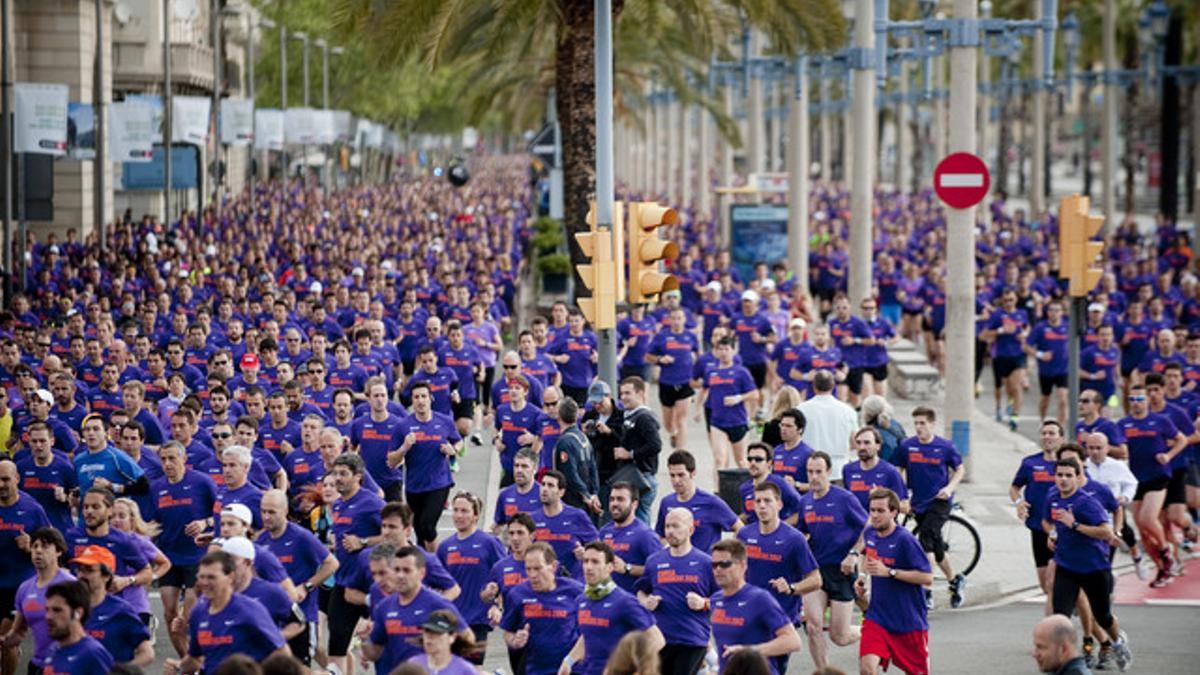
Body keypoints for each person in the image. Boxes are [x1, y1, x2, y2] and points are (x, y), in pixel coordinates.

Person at [845, 488, 934, 675]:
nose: (875, 516)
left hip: (908, 622)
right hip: (878, 618)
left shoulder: (905, 540)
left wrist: (890, 572)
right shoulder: (869, 534)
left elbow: (927, 578)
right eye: (872, 510)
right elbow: (867, 559)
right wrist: (861, 579)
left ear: (893, 512)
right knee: (867, 669)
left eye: (880, 511)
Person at [738, 481, 820, 673]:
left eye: (767, 501)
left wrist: (792, 588)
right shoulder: (744, 534)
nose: (762, 506)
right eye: (758, 501)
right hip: (749, 617)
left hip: (780, 620)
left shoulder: (794, 538)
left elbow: (816, 579)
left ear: (779, 505)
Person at [148, 440, 218, 657]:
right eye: (163, 459)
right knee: (170, 615)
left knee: (186, 619)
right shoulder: (157, 487)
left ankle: (198, 661)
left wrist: (205, 523)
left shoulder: (202, 482)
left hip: (197, 557)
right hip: (169, 557)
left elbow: (221, 515)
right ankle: (187, 663)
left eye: (172, 458)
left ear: (184, 459)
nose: (167, 464)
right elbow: (153, 523)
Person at [165, 550, 288, 674]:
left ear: (230, 577)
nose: (205, 583)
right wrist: (179, 666)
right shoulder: (199, 612)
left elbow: (281, 652)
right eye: (201, 577)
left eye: (212, 577)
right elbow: (196, 658)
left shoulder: (249, 610)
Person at [800, 451, 868, 670]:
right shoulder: (806, 501)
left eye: (819, 472)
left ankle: (873, 629)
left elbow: (868, 527)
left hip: (842, 571)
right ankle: (823, 671)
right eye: (810, 472)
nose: (814, 477)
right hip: (816, 571)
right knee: (813, 627)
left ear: (828, 472)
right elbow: (801, 534)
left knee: (840, 637)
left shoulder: (844, 499)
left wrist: (854, 554)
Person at [255, 489, 338, 666]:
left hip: (303, 616)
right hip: (274, 619)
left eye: (271, 512)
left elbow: (331, 564)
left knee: (302, 669)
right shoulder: (260, 542)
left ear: (285, 511)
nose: (266, 517)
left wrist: (306, 586)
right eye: (263, 511)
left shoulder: (301, 537)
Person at [895, 406, 967, 609]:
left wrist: (950, 487)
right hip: (919, 501)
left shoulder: (945, 446)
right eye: (916, 423)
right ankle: (955, 580)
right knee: (936, 545)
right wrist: (903, 496)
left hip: (940, 501)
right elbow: (899, 469)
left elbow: (960, 469)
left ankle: (927, 591)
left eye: (922, 423)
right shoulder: (907, 446)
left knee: (926, 539)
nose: (918, 427)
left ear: (932, 424)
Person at [1117, 382, 1187, 587]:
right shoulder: (1124, 424)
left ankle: (1166, 551)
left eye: (1140, 399)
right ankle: (1162, 568)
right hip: (1135, 479)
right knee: (1143, 532)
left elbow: (1181, 439)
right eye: (1132, 400)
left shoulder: (1160, 421)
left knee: (1148, 519)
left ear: (1147, 400)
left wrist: (1168, 455)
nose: (1136, 404)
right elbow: (1120, 448)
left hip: (1158, 475)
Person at [361, 545, 472, 675]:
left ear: (421, 573)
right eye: (397, 570)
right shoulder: (384, 607)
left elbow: (468, 637)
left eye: (407, 570)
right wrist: (365, 640)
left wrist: (447, 667)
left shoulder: (437, 603)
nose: (401, 575)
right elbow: (375, 653)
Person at [558, 542, 662, 675]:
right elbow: (588, 636)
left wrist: (629, 669)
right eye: (585, 561)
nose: (589, 567)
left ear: (610, 567)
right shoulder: (582, 600)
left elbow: (658, 639)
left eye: (595, 562)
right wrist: (568, 661)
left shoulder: (625, 601)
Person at [634, 507, 714, 675]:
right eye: (667, 526)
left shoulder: (706, 563)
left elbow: (725, 600)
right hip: (659, 640)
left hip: (692, 640)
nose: (670, 531)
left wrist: (704, 603)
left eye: (676, 526)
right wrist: (646, 602)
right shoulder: (654, 561)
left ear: (690, 529)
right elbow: (641, 591)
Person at [326, 453, 385, 675]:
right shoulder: (338, 504)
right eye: (335, 473)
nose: (338, 478)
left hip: (372, 583)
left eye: (343, 474)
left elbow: (395, 535)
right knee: (337, 642)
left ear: (358, 476)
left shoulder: (372, 503)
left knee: (385, 645)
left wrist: (363, 542)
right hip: (343, 582)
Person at [706, 539, 803, 675]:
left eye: (725, 564)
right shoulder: (716, 599)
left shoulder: (759, 599)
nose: (718, 570)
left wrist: (750, 651)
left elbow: (793, 641)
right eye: (714, 565)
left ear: (742, 565)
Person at [436, 491, 505, 663]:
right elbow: (437, 582)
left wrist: (498, 605)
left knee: (473, 668)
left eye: (464, 511)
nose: (458, 515)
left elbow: (505, 575)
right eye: (456, 510)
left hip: (478, 619)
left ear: (476, 515)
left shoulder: (489, 543)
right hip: (452, 620)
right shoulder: (445, 547)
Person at [394, 381, 462, 549]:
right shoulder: (403, 426)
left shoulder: (444, 421)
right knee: (419, 531)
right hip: (414, 486)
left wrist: (452, 449)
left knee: (427, 526)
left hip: (439, 483)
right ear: (412, 400)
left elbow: (459, 442)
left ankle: (438, 563)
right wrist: (404, 447)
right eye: (416, 397)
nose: (420, 400)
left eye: (424, 396)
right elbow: (391, 460)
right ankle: (424, 567)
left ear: (430, 398)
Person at [497, 542, 582, 675]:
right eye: (528, 569)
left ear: (553, 566)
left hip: (571, 669)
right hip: (535, 669)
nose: (532, 575)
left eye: (537, 568)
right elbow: (507, 632)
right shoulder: (517, 594)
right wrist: (515, 641)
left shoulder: (575, 591)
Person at [1, 528, 74, 672]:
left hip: (66, 665)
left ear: (58, 551)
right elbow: (19, 633)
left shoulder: (70, 585)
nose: (38, 551)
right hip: (38, 666)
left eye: (45, 546)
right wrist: (3, 640)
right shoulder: (25, 588)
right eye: (35, 546)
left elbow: (87, 627)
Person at [1011, 420, 1067, 603]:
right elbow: (1014, 487)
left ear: (1061, 438)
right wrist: (1019, 502)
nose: (1047, 437)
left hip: (1064, 529)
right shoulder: (1030, 463)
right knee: (1045, 585)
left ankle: (1066, 605)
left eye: (1052, 433)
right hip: (1038, 527)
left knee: (1057, 580)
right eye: (1044, 433)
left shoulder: (1068, 466)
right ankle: (1066, 602)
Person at [71, 544, 154, 666]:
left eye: (89, 570)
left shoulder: (121, 611)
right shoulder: (69, 607)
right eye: (80, 569)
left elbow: (147, 654)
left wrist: (121, 672)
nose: (82, 575)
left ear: (106, 576)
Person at [218, 537, 306, 643]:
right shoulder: (214, 593)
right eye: (223, 561)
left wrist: (272, 639)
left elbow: (299, 622)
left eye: (231, 561)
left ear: (247, 563)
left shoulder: (271, 592)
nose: (226, 566)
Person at [655, 450, 740, 553]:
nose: (676, 480)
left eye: (681, 475)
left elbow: (740, 529)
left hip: (705, 566)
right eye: (672, 475)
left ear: (693, 473)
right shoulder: (667, 503)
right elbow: (661, 537)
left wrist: (727, 554)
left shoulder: (711, 502)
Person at [697, 337, 757, 470]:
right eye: (720, 349)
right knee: (719, 460)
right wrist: (698, 409)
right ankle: (719, 490)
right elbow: (705, 389)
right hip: (717, 422)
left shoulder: (741, 372)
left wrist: (739, 398)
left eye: (726, 349)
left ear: (733, 351)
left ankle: (748, 489)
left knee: (741, 461)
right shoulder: (711, 372)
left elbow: (754, 394)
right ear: (716, 351)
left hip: (737, 421)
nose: (723, 352)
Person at [646, 306, 699, 449]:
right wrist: (660, 359)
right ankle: (673, 433)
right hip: (666, 383)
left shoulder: (690, 337)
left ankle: (680, 453)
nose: (676, 321)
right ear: (669, 320)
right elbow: (648, 356)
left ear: (684, 320)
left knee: (682, 420)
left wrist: (697, 371)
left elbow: (698, 355)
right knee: (668, 423)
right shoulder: (661, 336)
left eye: (679, 318)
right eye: (673, 318)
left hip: (685, 382)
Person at [598, 482, 662, 593]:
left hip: (632, 603)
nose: (615, 503)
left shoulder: (645, 534)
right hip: (607, 601)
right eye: (612, 499)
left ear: (634, 504)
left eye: (620, 499)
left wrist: (627, 568)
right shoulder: (604, 532)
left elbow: (659, 569)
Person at [533, 471, 598, 579]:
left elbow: (598, 546)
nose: (544, 489)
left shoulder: (577, 516)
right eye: (543, 484)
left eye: (550, 485)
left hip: (571, 584)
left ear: (561, 492)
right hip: (542, 582)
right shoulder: (532, 519)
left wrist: (585, 553)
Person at [615, 377, 663, 523]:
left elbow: (655, 445)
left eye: (628, 393)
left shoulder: (644, 417)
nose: (623, 397)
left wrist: (630, 454)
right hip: (633, 477)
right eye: (622, 393)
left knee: (640, 522)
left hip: (642, 478)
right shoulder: (630, 415)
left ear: (640, 394)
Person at [42, 580, 114, 674]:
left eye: (57, 610)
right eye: (47, 610)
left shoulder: (93, 654)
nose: (48, 617)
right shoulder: (52, 649)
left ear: (78, 613)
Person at [796, 371, 859, 477]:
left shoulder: (801, 409)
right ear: (833, 386)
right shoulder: (848, 411)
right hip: (838, 468)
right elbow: (854, 443)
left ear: (814, 386)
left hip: (811, 469)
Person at [553, 398, 601, 519]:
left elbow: (570, 475)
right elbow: (593, 468)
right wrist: (594, 493)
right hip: (586, 499)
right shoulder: (583, 438)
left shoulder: (565, 442)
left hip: (571, 501)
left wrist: (587, 495)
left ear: (558, 415)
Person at [1025, 300, 1071, 423]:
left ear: (1062, 312)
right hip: (1046, 370)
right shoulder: (1041, 327)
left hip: (1063, 369)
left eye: (1057, 310)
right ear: (1047, 312)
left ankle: (1061, 428)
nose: (1054, 313)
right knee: (1046, 398)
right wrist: (1040, 354)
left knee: (1063, 398)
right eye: (1051, 310)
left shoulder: (1068, 327)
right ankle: (1042, 421)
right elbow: (1026, 346)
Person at [842, 427, 908, 511]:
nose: (862, 447)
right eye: (858, 443)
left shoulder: (890, 472)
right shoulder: (848, 470)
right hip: (856, 523)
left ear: (878, 446)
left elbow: (905, 507)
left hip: (881, 523)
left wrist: (882, 499)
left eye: (867, 443)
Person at [738, 443, 803, 527]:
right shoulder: (744, 488)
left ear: (769, 463)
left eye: (758, 459)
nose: (753, 463)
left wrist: (781, 528)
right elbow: (747, 515)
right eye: (750, 459)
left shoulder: (779, 483)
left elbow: (802, 509)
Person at [405, 609, 477, 674]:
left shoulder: (464, 670)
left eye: (437, 632)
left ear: (452, 637)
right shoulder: (414, 665)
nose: (429, 637)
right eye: (427, 631)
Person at [491, 449, 541, 533]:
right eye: (516, 466)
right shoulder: (504, 495)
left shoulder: (544, 494)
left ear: (535, 468)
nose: (519, 470)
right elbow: (498, 525)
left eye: (524, 466)